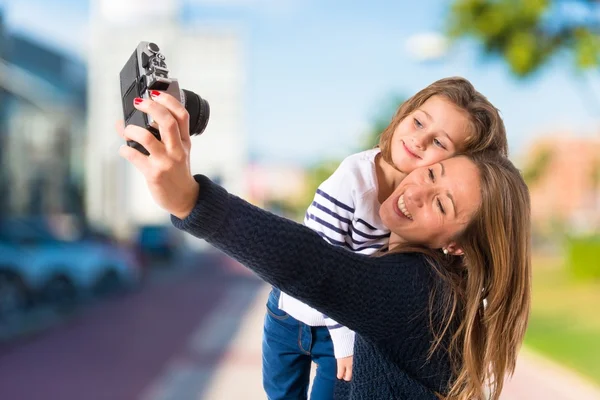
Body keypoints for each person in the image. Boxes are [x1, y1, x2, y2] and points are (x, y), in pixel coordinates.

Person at [116, 92, 531, 400]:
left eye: (442, 203)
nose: (419, 189)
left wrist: (191, 199)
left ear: (456, 246)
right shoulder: (439, 286)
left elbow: (314, 265)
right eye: (433, 173)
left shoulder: (420, 289)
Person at [265, 77, 508, 399]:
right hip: (292, 314)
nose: (419, 140)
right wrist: (345, 344)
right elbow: (320, 269)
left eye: (440, 143)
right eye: (418, 122)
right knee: (279, 393)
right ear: (403, 114)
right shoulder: (353, 179)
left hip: (340, 328)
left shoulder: (425, 211)